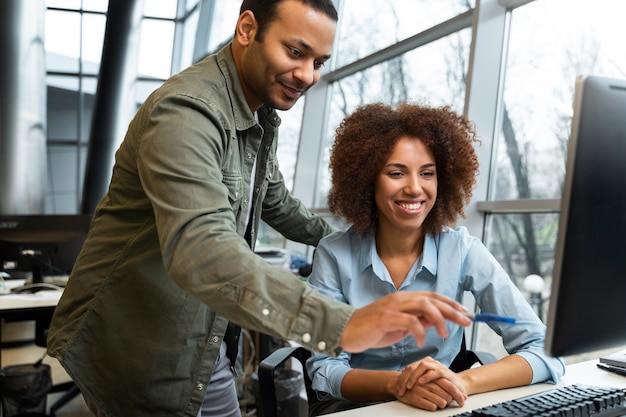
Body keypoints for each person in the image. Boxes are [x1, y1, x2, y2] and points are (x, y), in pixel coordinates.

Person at [46, 2, 472, 417]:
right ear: (247, 29)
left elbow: (275, 201)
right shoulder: (187, 112)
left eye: (319, 62)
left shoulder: (259, 113)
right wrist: (344, 325)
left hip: (200, 332)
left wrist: (357, 243)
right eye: (295, 52)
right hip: (140, 338)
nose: (307, 75)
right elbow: (201, 249)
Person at [305, 102, 566, 415]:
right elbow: (325, 370)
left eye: (427, 173)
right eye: (396, 173)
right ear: (367, 179)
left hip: (439, 405)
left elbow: (543, 350)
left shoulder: (463, 250)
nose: (415, 188)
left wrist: (462, 382)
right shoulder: (334, 254)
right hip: (356, 407)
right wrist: (398, 384)